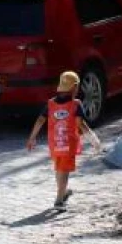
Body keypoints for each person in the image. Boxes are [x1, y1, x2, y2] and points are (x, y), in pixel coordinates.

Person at [25, 71, 103, 209]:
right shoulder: (76, 104)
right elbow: (81, 124)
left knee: (59, 169)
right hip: (68, 144)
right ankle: (59, 200)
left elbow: (40, 120)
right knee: (64, 171)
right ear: (74, 88)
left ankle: (63, 191)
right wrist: (94, 140)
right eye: (77, 86)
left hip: (55, 144)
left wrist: (32, 138)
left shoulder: (50, 104)